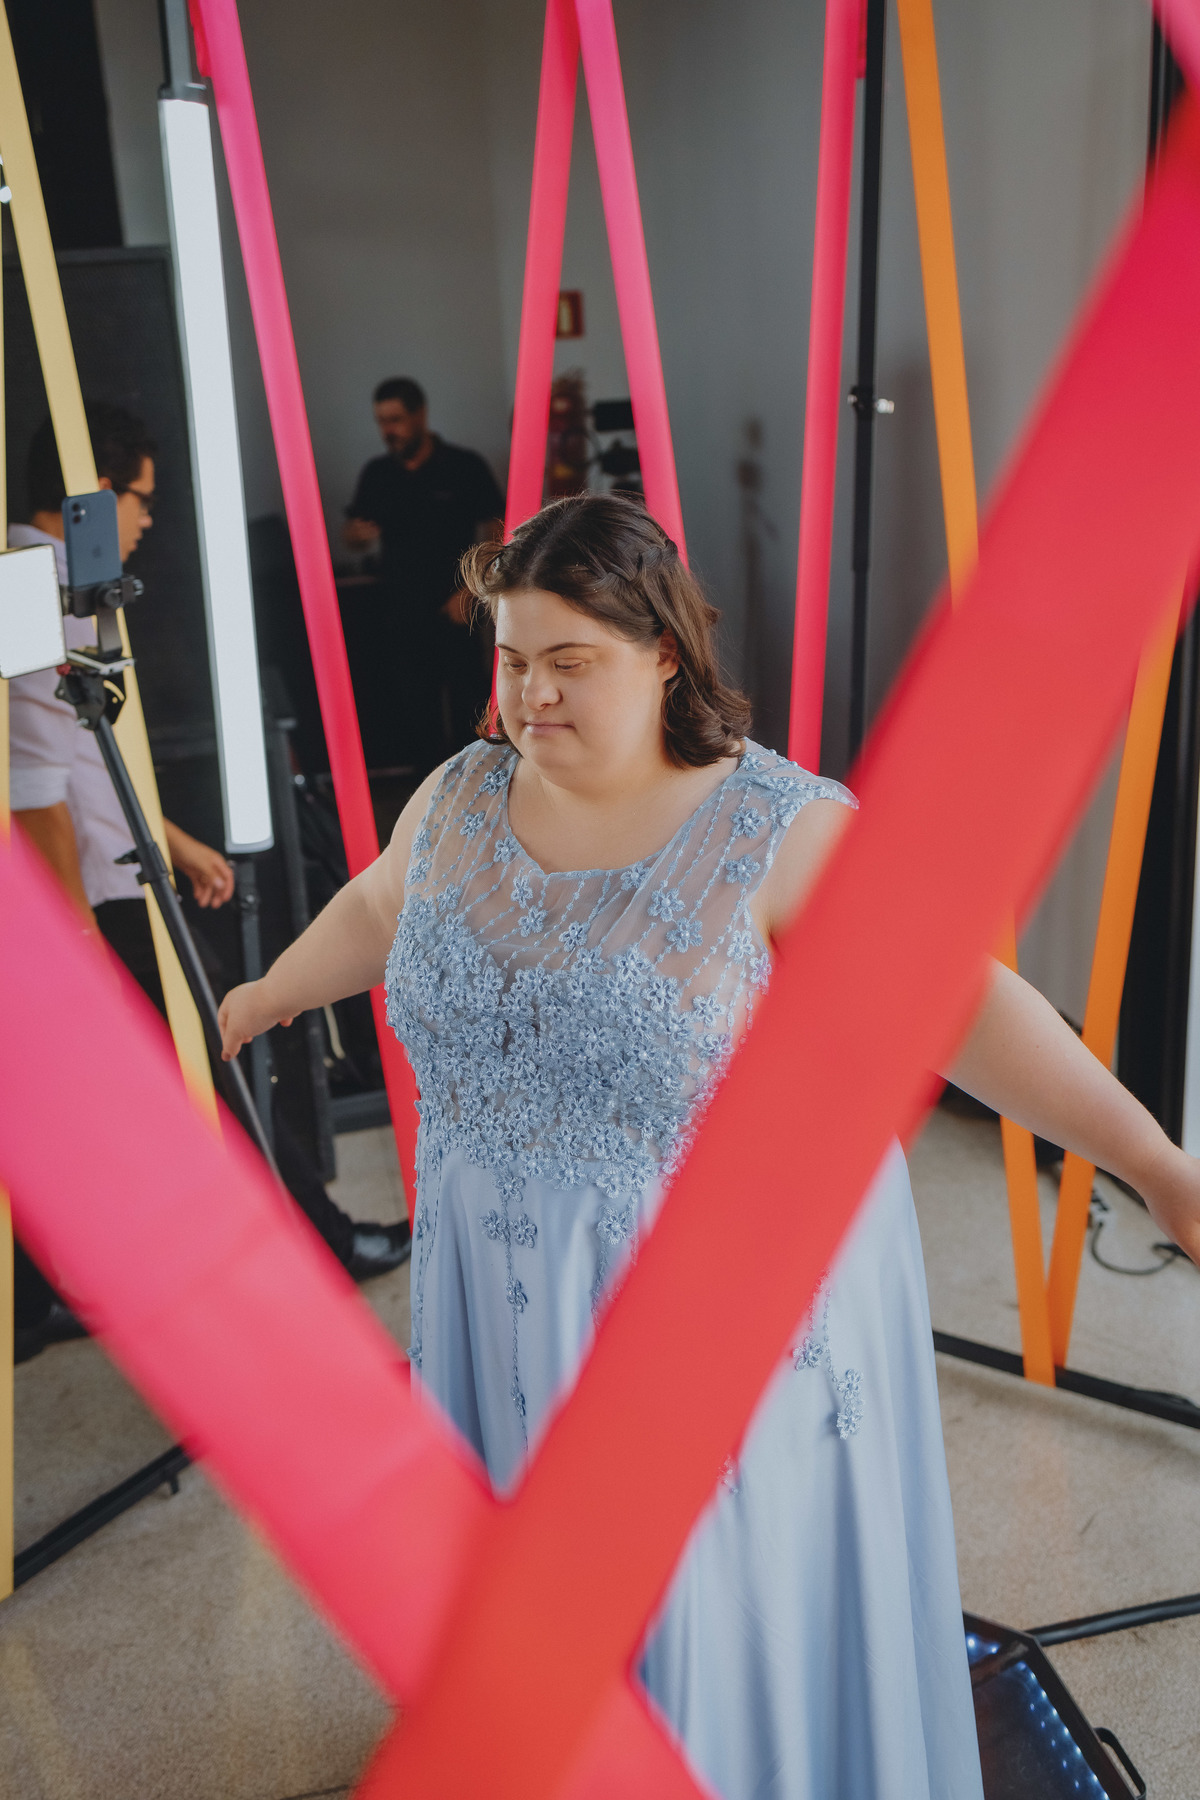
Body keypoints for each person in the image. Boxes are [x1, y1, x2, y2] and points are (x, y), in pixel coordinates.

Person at [219, 494, 1200, 1800]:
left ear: (664, 655)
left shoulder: (780, 831)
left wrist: (1157, 1165)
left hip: (696, 1322)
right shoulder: (458, 798)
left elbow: (967, 1009)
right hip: (499, 1307)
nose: (532, 696)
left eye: (571, 663)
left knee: (700, 1623)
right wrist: (263, 997)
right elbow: (377, 907)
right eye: (513, 659)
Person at [8, 405, 409, 1361]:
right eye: (141, 499)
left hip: (111, 871)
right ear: (95, 494)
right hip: (94, 900)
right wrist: (78, 945)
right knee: (220, 1063)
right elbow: (33, 791)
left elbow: (84, 761)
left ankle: (33, 1298)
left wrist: (176, 842)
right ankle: (321, 1245)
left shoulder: (51, 583)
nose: (148, 520)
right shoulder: (33, 592)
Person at [343, 376, 503, 773]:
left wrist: (473, 590)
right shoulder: (378, 473)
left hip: (459, 606)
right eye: (382, 421)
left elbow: (499, 530)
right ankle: (428, 795)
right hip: (402, 610)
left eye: (396, 420)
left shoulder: (463, 466)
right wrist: (356, 537)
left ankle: (479, 787)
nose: (388, 430)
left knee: (471, 705)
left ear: (420, 415)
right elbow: (352, 534)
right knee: (416, 711)